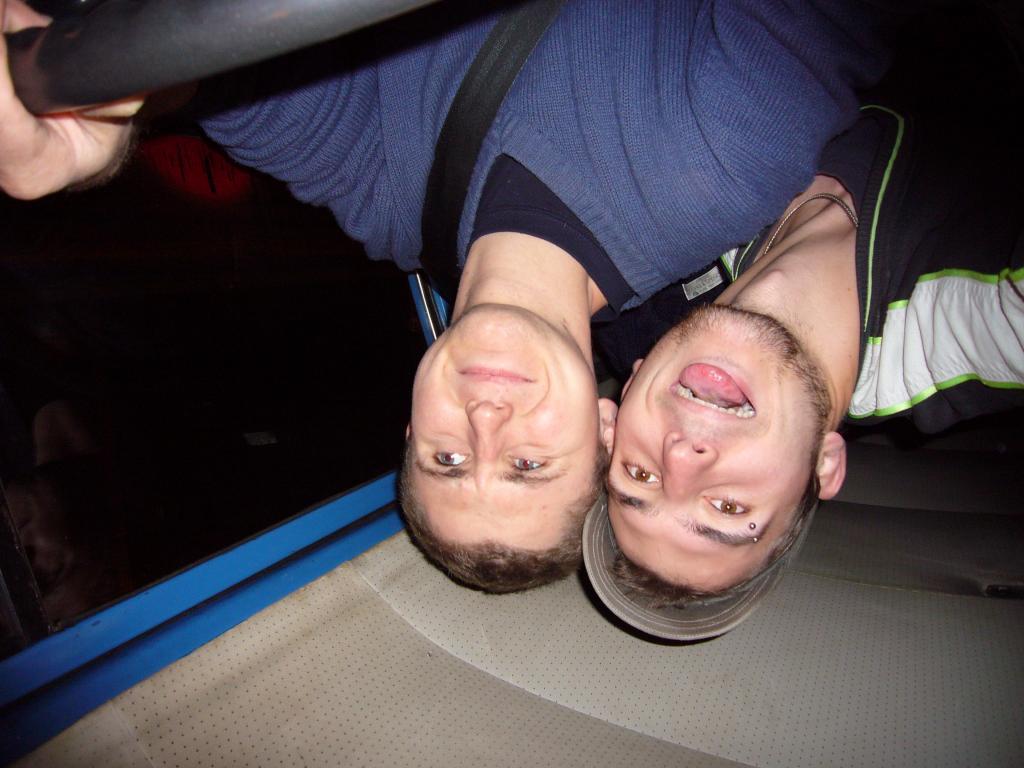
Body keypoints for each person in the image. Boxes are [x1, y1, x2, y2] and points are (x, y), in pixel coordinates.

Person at [1, 0, 898, 590]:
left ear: (411, 424)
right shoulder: (726, 159)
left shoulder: (377, 196)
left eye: (447, 459)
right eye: (529, 466)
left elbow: (224, 66)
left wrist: (93, 111)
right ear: (605, 429)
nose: (486, 425)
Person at [583, 93, 1024, 640]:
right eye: (727, 506)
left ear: (626, 393)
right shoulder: (973, 325)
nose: (680, 457)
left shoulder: (634, 278)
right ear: (823, 466)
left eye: (640, 475)